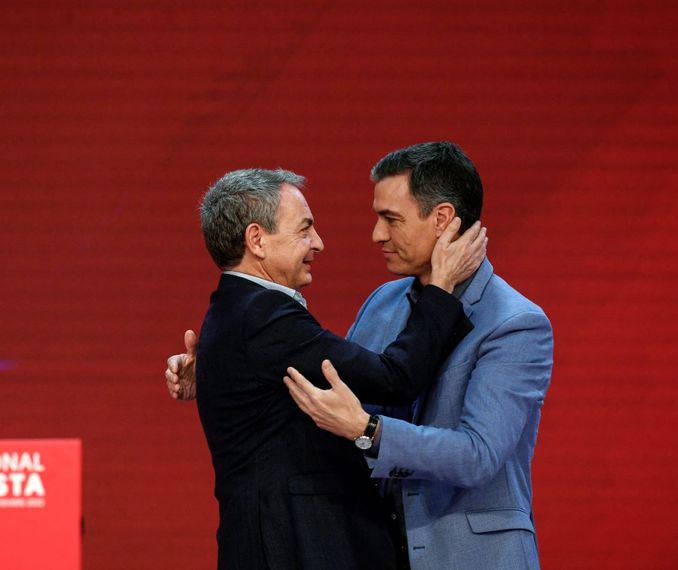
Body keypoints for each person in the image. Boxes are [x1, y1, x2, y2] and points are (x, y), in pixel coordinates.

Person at [181, 167, 486, 570]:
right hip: (291, 548)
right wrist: (441, 288)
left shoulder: (233, 310)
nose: (318, 243)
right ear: (257, 240)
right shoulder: (264, 316)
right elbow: (394, 378)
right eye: (304, 229)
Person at [283, 141, 554, 569]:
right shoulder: (382, 303)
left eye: (391, 219)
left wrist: (369, 431)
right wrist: (216, 368)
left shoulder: (515, 323)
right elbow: (328, 398)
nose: (377, 234)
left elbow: (477, 456)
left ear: (442, 219)